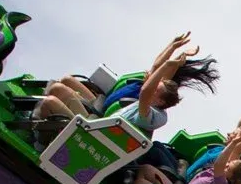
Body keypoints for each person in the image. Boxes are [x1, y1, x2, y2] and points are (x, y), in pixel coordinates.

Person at [33, 31, 218, 139]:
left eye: (156, 83)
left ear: (160, 99)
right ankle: (46, 113)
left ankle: (37, 129)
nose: (151, 76)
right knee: (66, 80)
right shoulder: (150, 94)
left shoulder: (150, 109)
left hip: (97, 124)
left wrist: (174, 63)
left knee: (57, 90)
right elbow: (156, 66)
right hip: (102, 109)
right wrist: (174, 45)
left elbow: (149, 86)